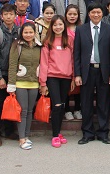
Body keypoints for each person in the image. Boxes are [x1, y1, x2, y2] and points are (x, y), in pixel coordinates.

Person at [74, 4, 110, 145]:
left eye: (98, 12)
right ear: (89, 14)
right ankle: (87, 133)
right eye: (93, 12)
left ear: (102, 13)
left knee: (103, 103)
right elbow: (76, 54)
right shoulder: (81, 29)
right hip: (87, 71)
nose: (96, 15)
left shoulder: (109, 29)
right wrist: (77, 74)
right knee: (86, 103)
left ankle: (103, 133)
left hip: (103, 71)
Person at [39, 15, 74, 147]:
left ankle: (58, 132)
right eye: (55, 25)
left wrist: (73, 77)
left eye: (60, 24)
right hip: (52, 77)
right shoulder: (48, 41)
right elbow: (44, 62)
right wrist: (43, 82)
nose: (58, 27)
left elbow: (73, 59)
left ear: (64, 26)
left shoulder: (70, 40)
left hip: (66, 77)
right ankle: (54, 135)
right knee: (57, 105)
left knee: (62, 106)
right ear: (51, 27)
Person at [7, 22, 42, 150]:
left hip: (34, 83)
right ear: (21, 33)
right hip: (20, 82)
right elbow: (12, 65)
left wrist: (42, 83)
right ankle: (21, 138)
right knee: (23, 110)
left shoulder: (39, 46)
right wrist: (11, 85)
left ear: (34, 33)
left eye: (30, 32)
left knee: (30, 110)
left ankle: (26, 136)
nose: (28, 35)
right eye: (25, 32)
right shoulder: (17, 45)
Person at [0, 3, 19, 147]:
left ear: (15, 16)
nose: (8, 17)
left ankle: (9, 130)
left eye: (11, 14)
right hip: (1, 73)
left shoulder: (19, 31)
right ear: (1, 16)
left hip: (15, 74)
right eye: (5, 14)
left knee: (11, 102)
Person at [63, 5, 82, 121]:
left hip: (79, 60)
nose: (72, 16)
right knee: (66, 85)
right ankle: (67, 110)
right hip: (65, 60)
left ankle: (77, 109)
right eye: (70, 14)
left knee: (78, 86)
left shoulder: (82, 28)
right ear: (66, 15)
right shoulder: (62, 28)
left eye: (75, 14)